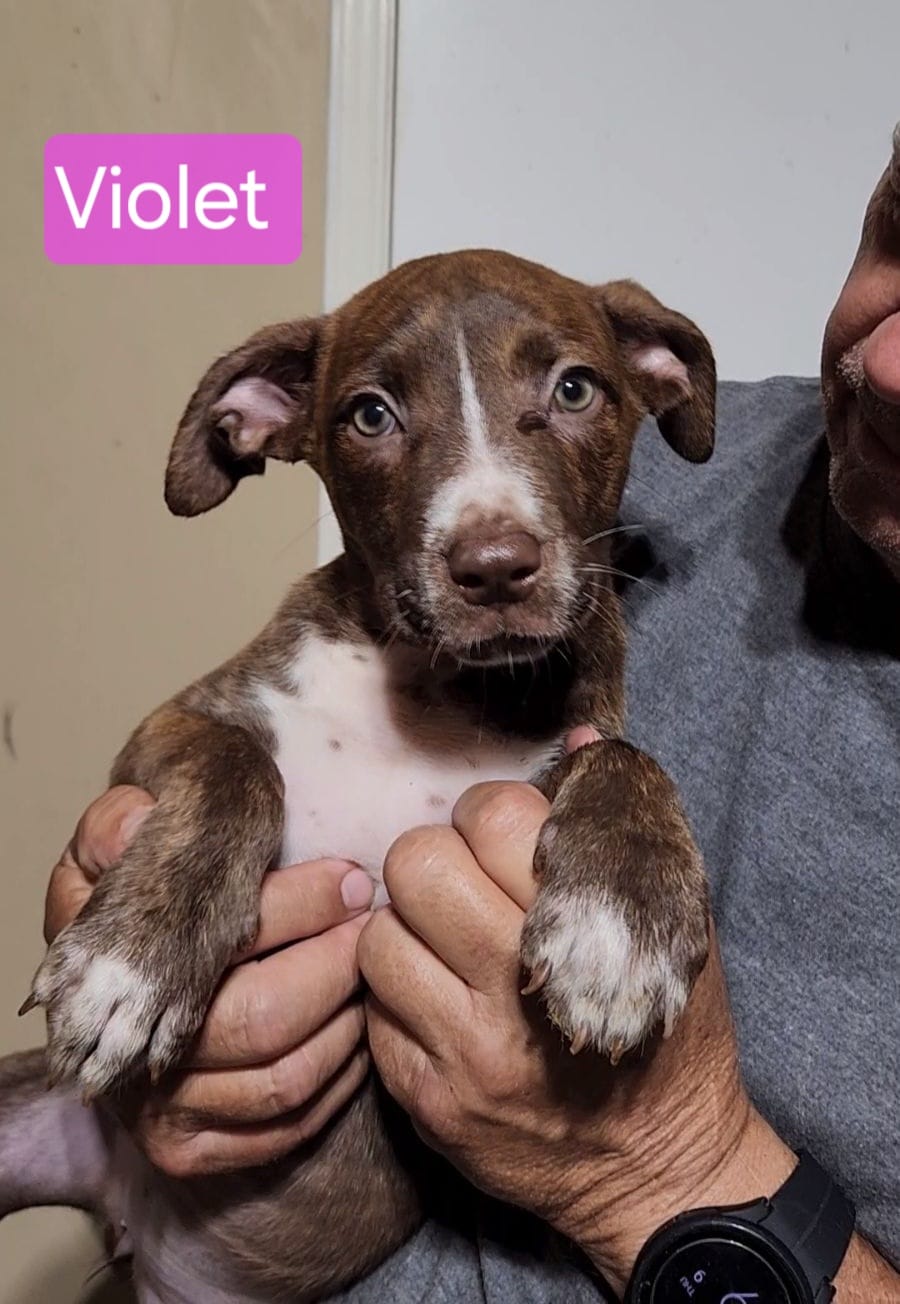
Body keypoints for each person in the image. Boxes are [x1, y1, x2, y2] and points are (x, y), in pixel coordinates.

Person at [44, 136, 900, 1300]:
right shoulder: (704, 470)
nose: (489, 533)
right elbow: (164, 761)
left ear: (656, 374)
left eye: (567, 393)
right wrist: (147, 881)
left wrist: (672, 1168)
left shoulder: (585, 700)